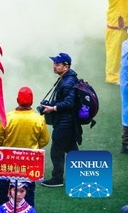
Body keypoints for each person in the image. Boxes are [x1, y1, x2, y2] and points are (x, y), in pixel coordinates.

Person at [0, 87, 49, 206]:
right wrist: (34, 147)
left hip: (8, 161)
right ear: (32, 102)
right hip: (30, 161)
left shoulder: (7, 117)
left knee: (4, 189)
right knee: (27, 190)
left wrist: (7, 146)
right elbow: (45, 140)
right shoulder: (38, 119)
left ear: (17, 99)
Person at [38, 52, 81, 187]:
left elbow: (69, 103)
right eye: (54, 64)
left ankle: (57, 179)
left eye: (57, 64)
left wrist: (53, 108)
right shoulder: (66, 78)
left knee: (56, 150)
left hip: (65, 123)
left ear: (66, 66)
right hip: (66, 122)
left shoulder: (68, 82)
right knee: (71, 149)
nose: (54, 66)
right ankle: (81, 174)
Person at [103, 0, 128, 84]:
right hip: (115, 28)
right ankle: (112, 78)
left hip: (123, 27)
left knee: (123, 52)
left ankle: (121, 74)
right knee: (114, 54)